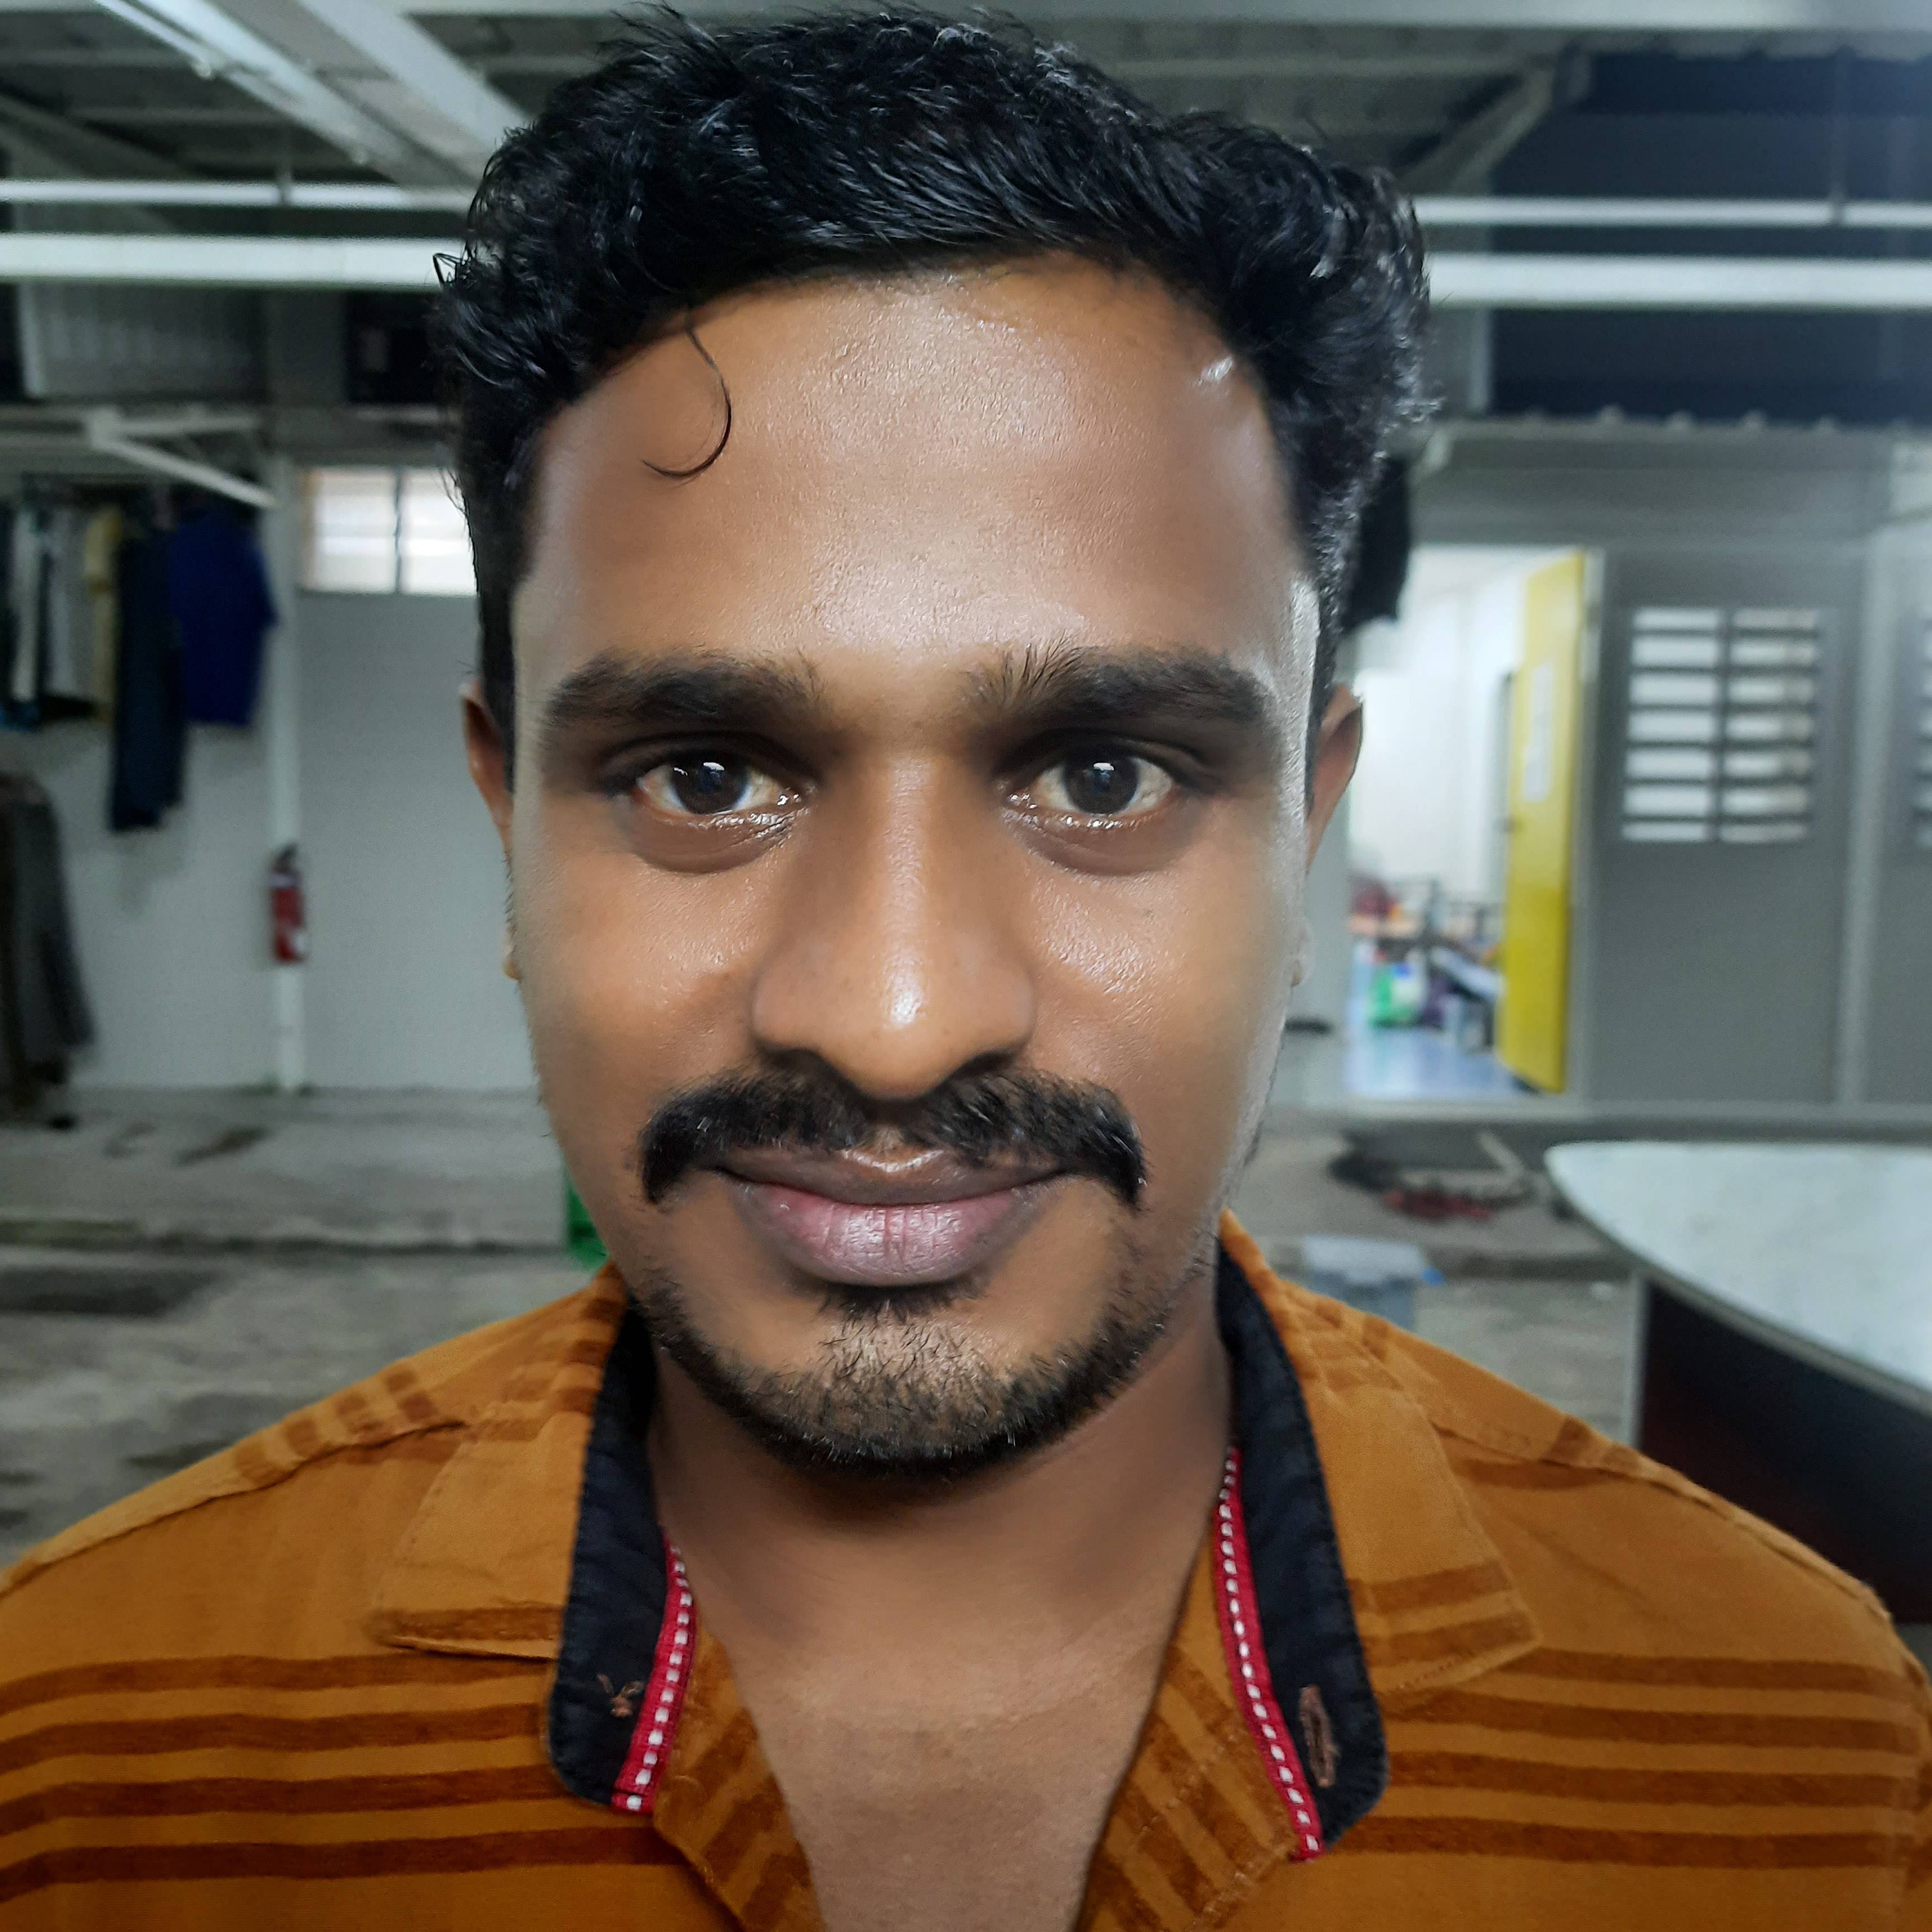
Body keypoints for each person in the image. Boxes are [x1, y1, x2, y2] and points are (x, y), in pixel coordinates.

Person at [1, 12, 1926, 1928]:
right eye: (704, 776)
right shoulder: (83, 1742)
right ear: (509, 820)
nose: (894, 1023)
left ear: (1305, 825)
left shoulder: (1807, 1755)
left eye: (1105, 776)